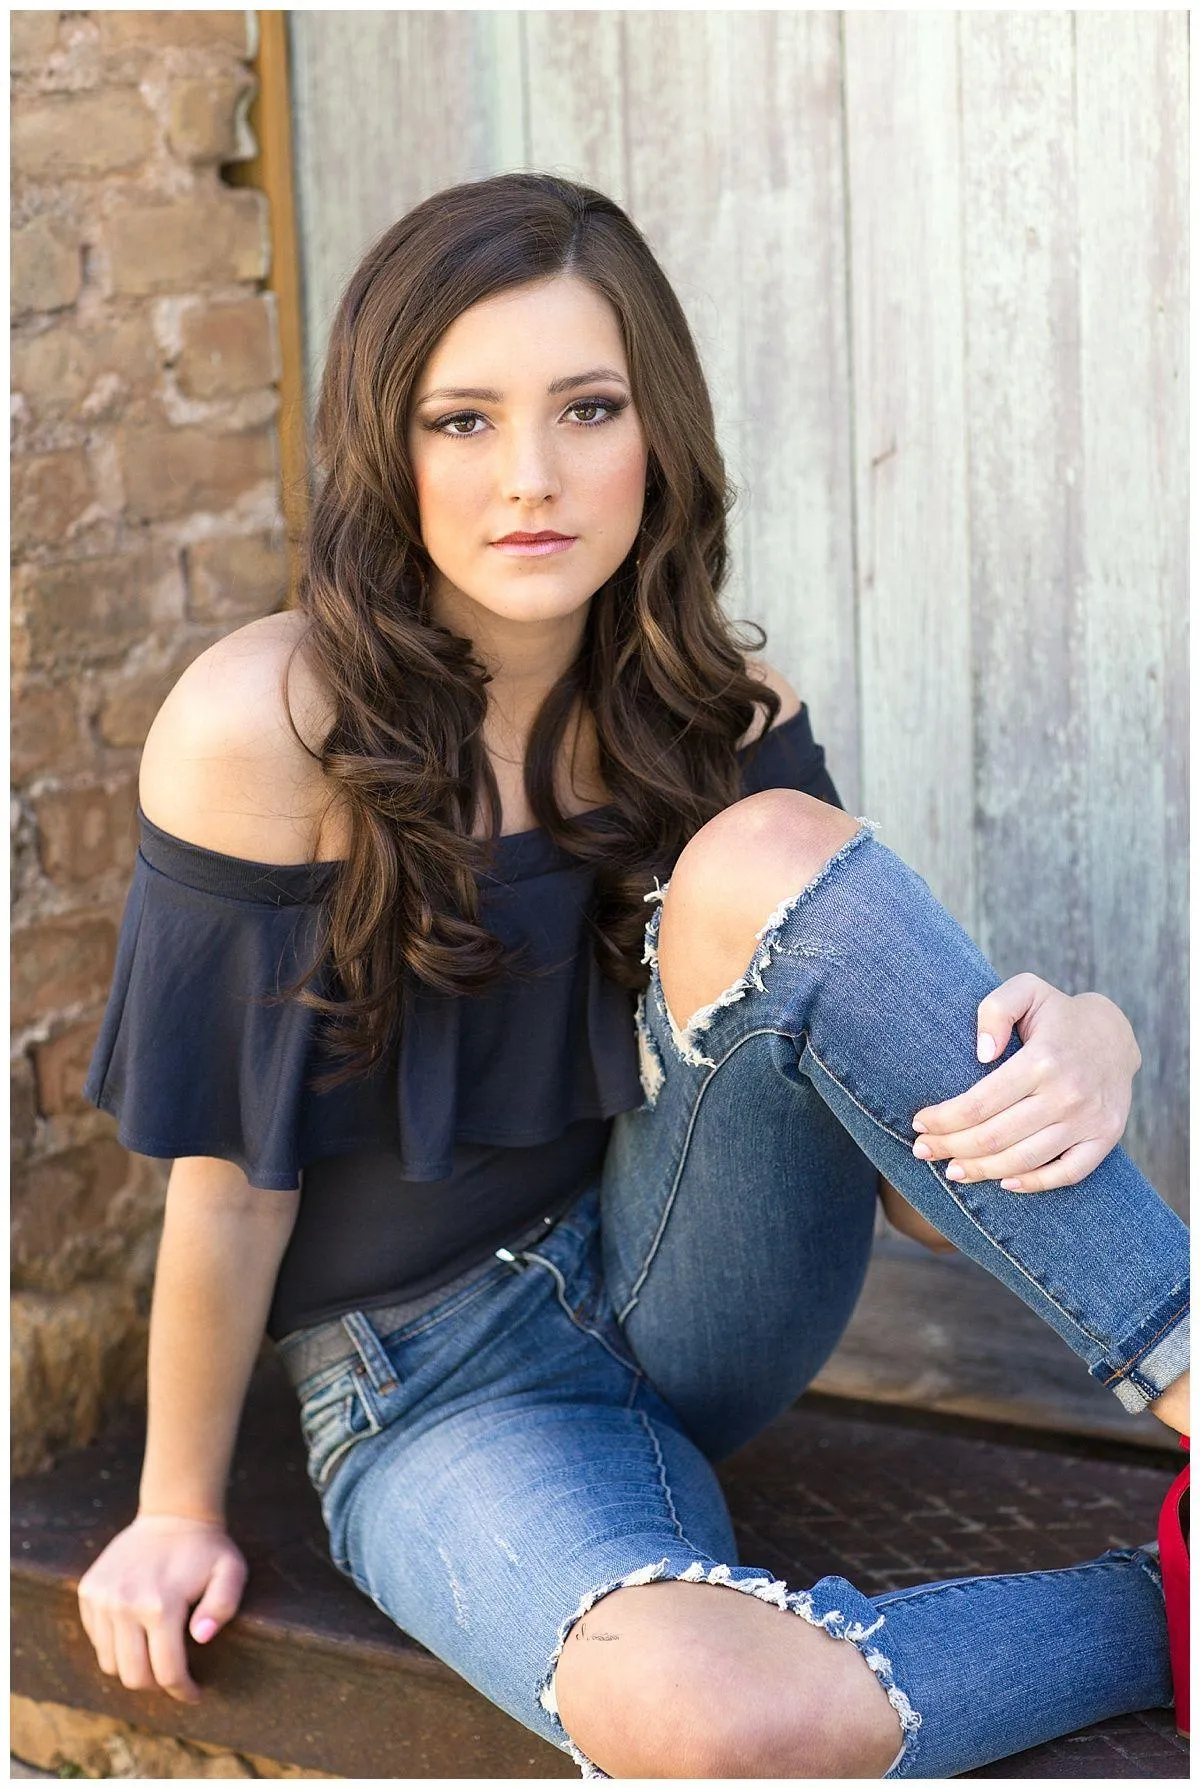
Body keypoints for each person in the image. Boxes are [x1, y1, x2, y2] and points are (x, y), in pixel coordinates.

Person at [77, 172, 1188, 1778]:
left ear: (655, 433)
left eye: (587, 408)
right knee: (718, 1726)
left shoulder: (724, 709)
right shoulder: (267, 724)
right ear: (384, 447)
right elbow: (229, 1187)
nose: (531, 476)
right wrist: (174, 1508)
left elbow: (912, 1191)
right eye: (463, 420)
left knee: (769, 851)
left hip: (698, 1290)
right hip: (434, 1394)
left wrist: (1087, 1046)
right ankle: (1165, 1607)